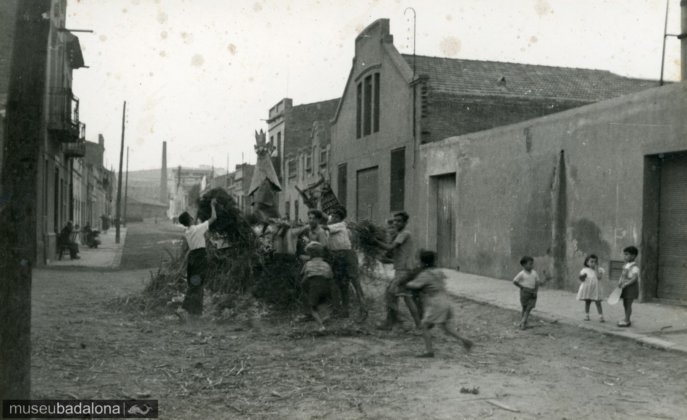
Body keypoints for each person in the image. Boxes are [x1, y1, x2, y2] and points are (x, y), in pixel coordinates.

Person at [406, 250, 473, 357]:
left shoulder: (425, 274)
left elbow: (414, 285)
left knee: (424, 325)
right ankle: (465, 340)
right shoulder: (438, 271)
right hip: (445, 299)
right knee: (446, 327)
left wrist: (405, 282)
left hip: (436, 302)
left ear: (422, 262)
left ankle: (429, 351)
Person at [375, 211, 421, 330]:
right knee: (406, 297)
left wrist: (374, 241)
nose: (396, 223)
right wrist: (384, 258)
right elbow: (396, 255)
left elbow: (390, 247)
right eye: (395, 221)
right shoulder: (400, 235)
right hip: (404, 270)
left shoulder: (404, 234)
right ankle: (416, 324)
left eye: (399, 221)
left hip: (404, 271)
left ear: (405, 222)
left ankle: (393, 322)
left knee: (390, 294)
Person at [177, 198, 218, 318]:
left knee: (195, 283)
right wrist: (212, 205)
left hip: (192, 258)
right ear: (190, 219)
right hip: (200, 257)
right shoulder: (198, 229)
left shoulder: (188, 232)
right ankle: (185, 309)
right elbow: (213, 218)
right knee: (197, 284)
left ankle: (195, 311)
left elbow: (193, 223)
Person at [323, 207, 365, 318]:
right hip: (336, 256)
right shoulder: (330, 227)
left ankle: (363, 309)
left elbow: (324, 227)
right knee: (342, 284)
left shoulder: (341, 225)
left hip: (347, 255)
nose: (333, 218)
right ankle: (344, 311)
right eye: (332, 216)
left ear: (340, 218)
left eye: (335, 216)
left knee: (355, 282)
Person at [300, 241, 335, 331]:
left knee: (313, 308)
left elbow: (304, 277)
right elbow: (330, 277)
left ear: (310, 254)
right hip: (325, 285)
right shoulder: (326, 264)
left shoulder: (308, 264)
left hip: (314, 285)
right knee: (322, 303)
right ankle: (326, 316)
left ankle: (321, 326)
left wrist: (303, 288)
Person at [512, 256, 549, 330]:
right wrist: (522, 287)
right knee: (525, 308)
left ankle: (523, 322)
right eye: (530, 264)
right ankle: (524, 322)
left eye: (532, 264)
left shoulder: (534, 273)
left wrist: (536, 291)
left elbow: (538, 283)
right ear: (524, 265)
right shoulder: (521, 274)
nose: (532, 266)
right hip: (524, 292)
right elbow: (514, 281)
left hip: (532, 293)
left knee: (529, 308)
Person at [576, 254, 605, 322]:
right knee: (587, 302)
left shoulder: (600, 270)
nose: (593, 263)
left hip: (596, 289)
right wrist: (582, 277)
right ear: (587, 262)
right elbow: (581, 280)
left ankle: (601, 316)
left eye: (595, 262)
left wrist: (597, 268)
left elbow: (599, 277)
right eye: (591, 261)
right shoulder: (584, 270)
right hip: (588, 289)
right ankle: (587, 315)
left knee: (598, 302)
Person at [617, 246, 640, 327]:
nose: (625, 256)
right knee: (625, 303)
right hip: (624, 287)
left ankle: (627, 321)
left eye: (627, 254)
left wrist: (627, 283)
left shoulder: (635, 267)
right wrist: (620, 282)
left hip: (631, 288)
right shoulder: (626, 265)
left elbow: (634, 278)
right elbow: (622, 275)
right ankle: (627, 318)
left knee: (628, 304)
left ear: (633, 256)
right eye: (624, 254)